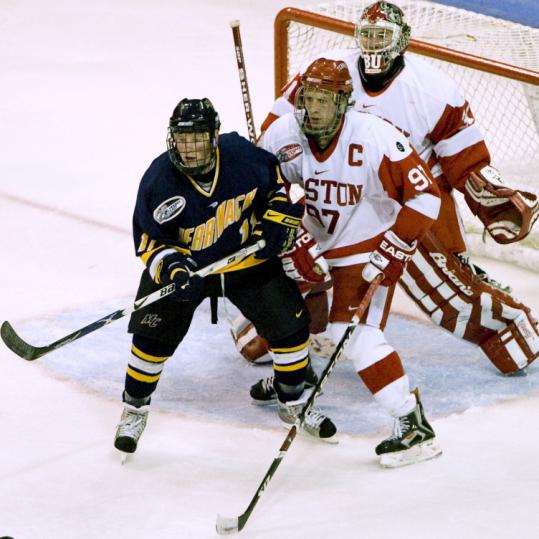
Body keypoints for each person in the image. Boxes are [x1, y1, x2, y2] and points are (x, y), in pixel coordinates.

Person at [251, 0, 539, 380]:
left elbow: (465, 161)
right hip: (335, 189)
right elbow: (276, 141)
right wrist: (261, 186)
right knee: (294, 256)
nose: (373, 45)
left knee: (448, 295)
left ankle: (516, 336)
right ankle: (274, 332)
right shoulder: (323, 73)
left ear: (402, 40)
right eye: (367, 35)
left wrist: (488, 196)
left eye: (381, 36)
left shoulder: (434, 91)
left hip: (408, 197)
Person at [113, 97, 337, 454]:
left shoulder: (242, 156)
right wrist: (172, 267)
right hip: (187, 270)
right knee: (150, 340)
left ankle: (292, 401)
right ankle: (134, 408)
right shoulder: (159, 180)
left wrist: (277, 223)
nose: (191, 148)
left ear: (214, 136)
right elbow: (148, 240)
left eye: (199, 138)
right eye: (184, 139)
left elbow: (285, 190)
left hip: (246, 263)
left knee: (292, 330)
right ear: (173, 139)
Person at [262, 57, 443, 467]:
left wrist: (395, 247)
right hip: (307, 243)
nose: (313, 108)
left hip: (363, 248)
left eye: (324, 99)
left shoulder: (376, 136)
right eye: (307, 98)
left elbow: (426, 195)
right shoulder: (282, 134)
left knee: (353, 335)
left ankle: (413, 426)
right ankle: (297, 374)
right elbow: (260, 192)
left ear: (344, 101)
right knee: (275, 315)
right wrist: (289, 235)